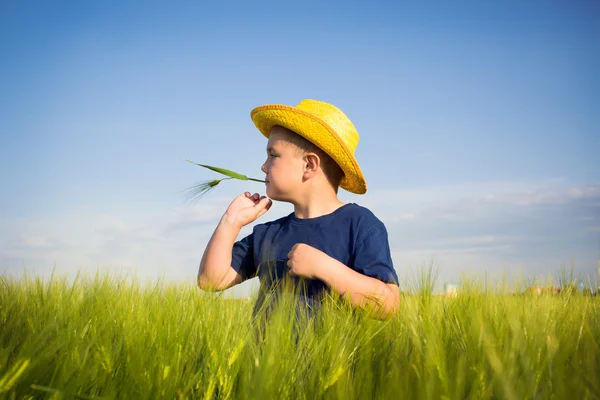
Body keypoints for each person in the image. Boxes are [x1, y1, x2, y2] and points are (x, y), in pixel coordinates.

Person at [197, 99, 400, 320]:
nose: (263, 166)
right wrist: (230, 222)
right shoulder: (267, 233)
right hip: (268, 356)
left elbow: (388, 305)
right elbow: (211, 281)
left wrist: (325, 268)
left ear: (309, 165)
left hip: (332, 356)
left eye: (273, 155)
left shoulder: (360, 225)